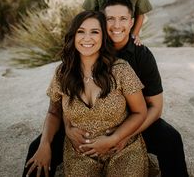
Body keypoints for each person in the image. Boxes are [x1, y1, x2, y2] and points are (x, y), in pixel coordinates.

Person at [23, 0, 189, 177]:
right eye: (110, 19)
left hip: (126, 123)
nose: (117, 25)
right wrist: (66, 128)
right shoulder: (66, 70)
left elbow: (154, 108)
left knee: (170, 138)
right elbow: (55, 108)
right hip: (83, 127)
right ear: (103, 20)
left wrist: (121, 137)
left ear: (131, 22)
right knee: (37, 151)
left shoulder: (138, 57)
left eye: (123, 19)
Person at [25, 10, 148, 177]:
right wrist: (44, 144)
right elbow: (54, 112)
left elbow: (140, 112)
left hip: (122, 148)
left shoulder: (121, 70)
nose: (87, 38)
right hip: (79, 153)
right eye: (81, 31)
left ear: (103, 37)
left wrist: (113, 139)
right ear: (73, 36)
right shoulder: (63, 73)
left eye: (95, 32)